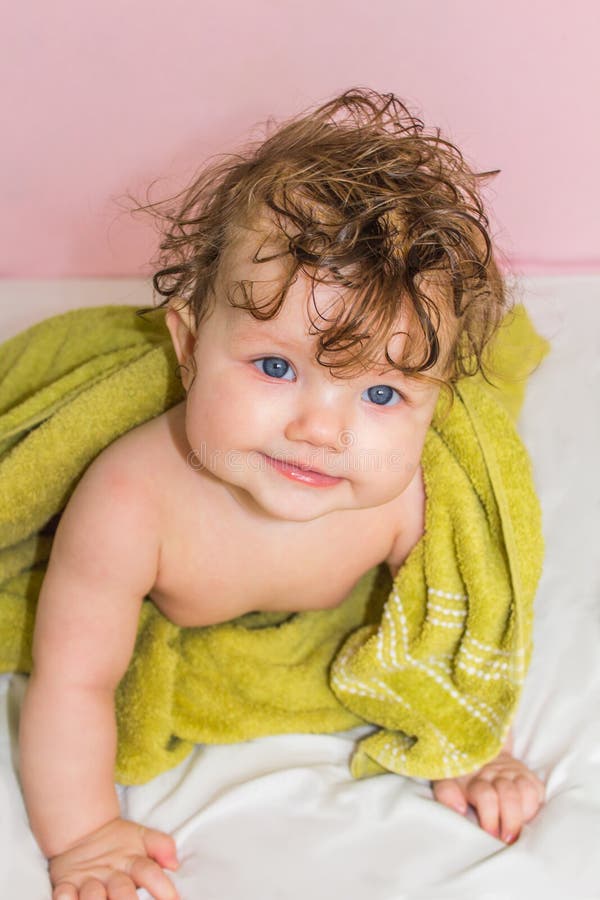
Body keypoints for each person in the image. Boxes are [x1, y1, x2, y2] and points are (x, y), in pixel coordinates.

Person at [18, 88, 546, 900]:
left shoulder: (413, 503)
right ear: (190, 347)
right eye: (276, 366)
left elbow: (465, 614)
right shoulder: (132, 501)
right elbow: (74, 681)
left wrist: (475, 744)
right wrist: (86, 835)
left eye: (380, 395)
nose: (321, 429)